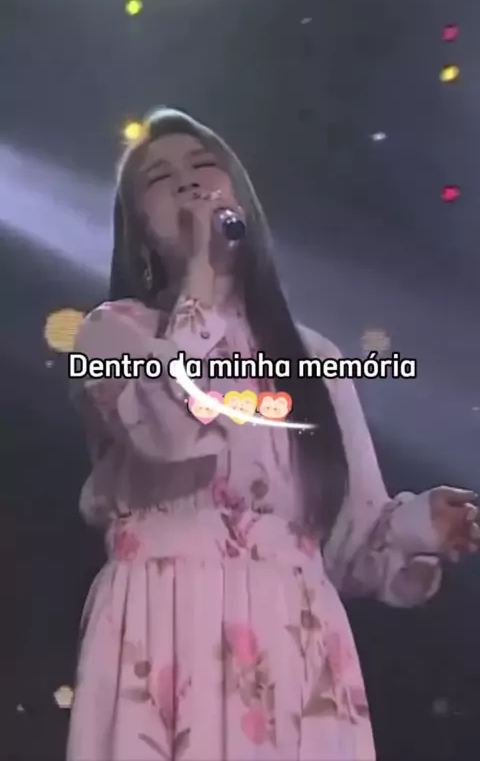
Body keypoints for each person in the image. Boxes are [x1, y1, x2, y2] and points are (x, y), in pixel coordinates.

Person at [67, 108, 479, 761]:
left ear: (243, 205)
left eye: (205, 167)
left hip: (294, 639)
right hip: (163, 620)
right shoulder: (113, 334)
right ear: (139, 233)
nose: (189, 183)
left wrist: (420, 524)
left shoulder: (314, 358)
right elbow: (171, 426)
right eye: (160, 179)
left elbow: (350, 540)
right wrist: (202, 279)